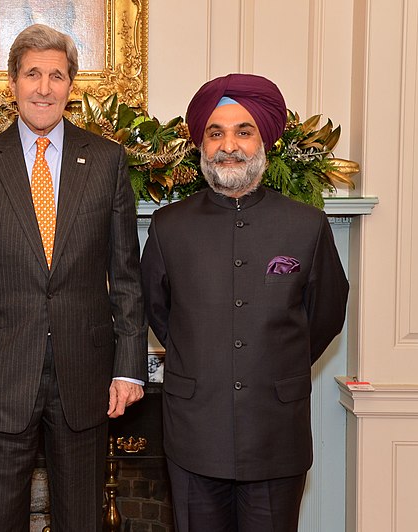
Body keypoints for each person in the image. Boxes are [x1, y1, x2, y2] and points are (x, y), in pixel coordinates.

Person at [0, 24, 148, 531]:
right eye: (33, 74)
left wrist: (129, 367)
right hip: (0, 378)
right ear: (12, 84)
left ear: (71, 86)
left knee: (81, 519)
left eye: (56, 75)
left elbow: (126, 277)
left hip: (86, 375)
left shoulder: (106, 161)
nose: (44, 87)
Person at [140, 73, 350, 531]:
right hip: (195, 430)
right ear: (201, 145)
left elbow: (327, 315)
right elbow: (157, 310)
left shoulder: (307, 225)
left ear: (265, 141)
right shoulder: (168, 226)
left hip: (276, 432)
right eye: (215, 133)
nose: (228, 145)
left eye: (243, 131)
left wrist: (275, 363)